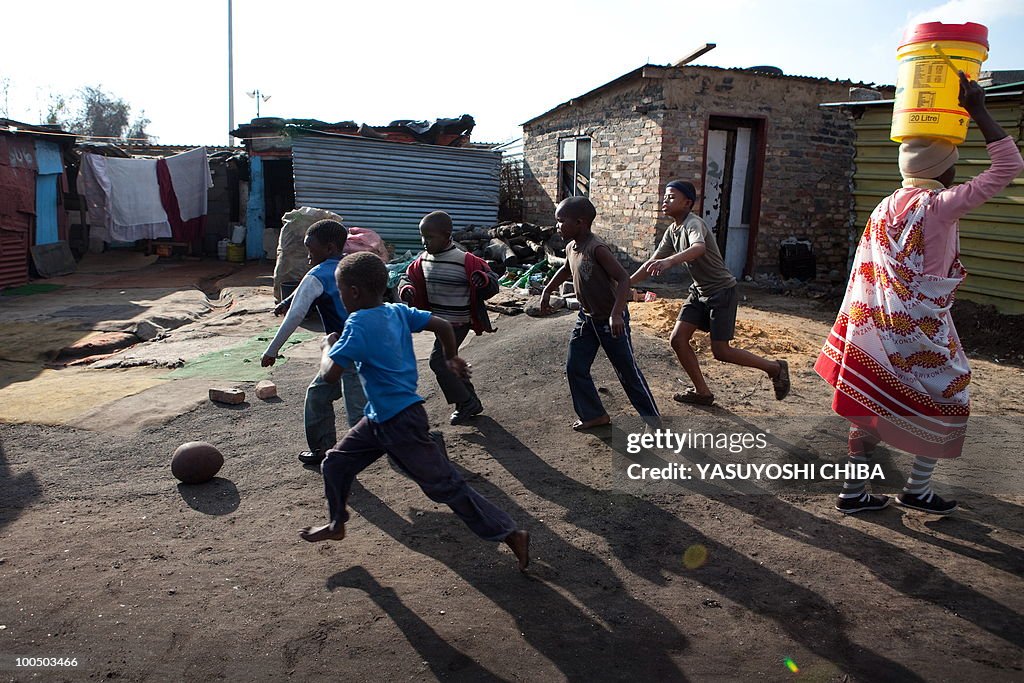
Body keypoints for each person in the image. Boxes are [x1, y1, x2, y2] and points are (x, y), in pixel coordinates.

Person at [815, 73, 1024, 515]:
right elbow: (1008, 168)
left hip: (876, 325)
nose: (955, 169)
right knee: (950, 395)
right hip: (922, 328)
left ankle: (855, 493)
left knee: (871, 399)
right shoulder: (940, 206)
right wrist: (980, 111)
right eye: (952, 161)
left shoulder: (885, 206)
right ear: (941, 168)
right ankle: (917, 488)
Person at [299, 252, 530, 571]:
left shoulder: (357, 324)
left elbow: (330, 375)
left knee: (446, 486)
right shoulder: (395, 312)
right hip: (379, 418)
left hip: (400, 422)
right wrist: (451, 356)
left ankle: (510, 533)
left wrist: (327, 348)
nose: (340, 297)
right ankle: (337, 524)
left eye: (340, 291)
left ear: (353, 292)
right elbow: (441, 324)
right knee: (335, 463)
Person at [630, 180, 790, 406]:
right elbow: (651, 263)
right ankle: (702, 392)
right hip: (699, 292)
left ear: (687, 203)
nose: (665, 200)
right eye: (665, 196)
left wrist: (670, 261)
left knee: (721, 352)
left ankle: (775, 367)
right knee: (678, 339)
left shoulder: (694, 223)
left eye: (671, 197)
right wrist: (625, 283)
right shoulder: (672, 231)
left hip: (721, 291)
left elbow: (698, 248)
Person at [540, 196, 660, 431]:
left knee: (627, 372)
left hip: (609, 320)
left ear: (580, 222)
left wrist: (617, 313)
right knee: (575, 367)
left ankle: (653, 422)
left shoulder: (597, 248)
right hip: (587, 320)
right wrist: (547, 289)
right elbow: (566, 269)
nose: (557, 226)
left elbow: (624, 278)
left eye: (561, 221)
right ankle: (594, 415)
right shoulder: (571, 247)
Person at [261, 219, 367, 466]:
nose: (308, 257)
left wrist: (272, 351)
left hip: (346, 348)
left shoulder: (316, 274)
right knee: (322, 394)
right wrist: (286, 300)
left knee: (356, 408)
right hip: (370, 342)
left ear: (329, 248)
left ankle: (353, 452)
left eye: (311, 250)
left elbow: (295, 317)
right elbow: (303, 293)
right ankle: (325, 449)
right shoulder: (349, 266)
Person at [398, 211, 499, 425]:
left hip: (458, 321)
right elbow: (407, 278)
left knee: (439, 362)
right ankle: (471, 400)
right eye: (422, 237)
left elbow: (491, 279)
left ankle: (465, 403)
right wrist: (406, 289)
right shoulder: (423, 260)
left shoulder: (465, 261)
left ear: (447, 235)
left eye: (430, 237)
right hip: (438, 322)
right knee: (449, 361)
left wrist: (483, 281)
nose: (425, 242)